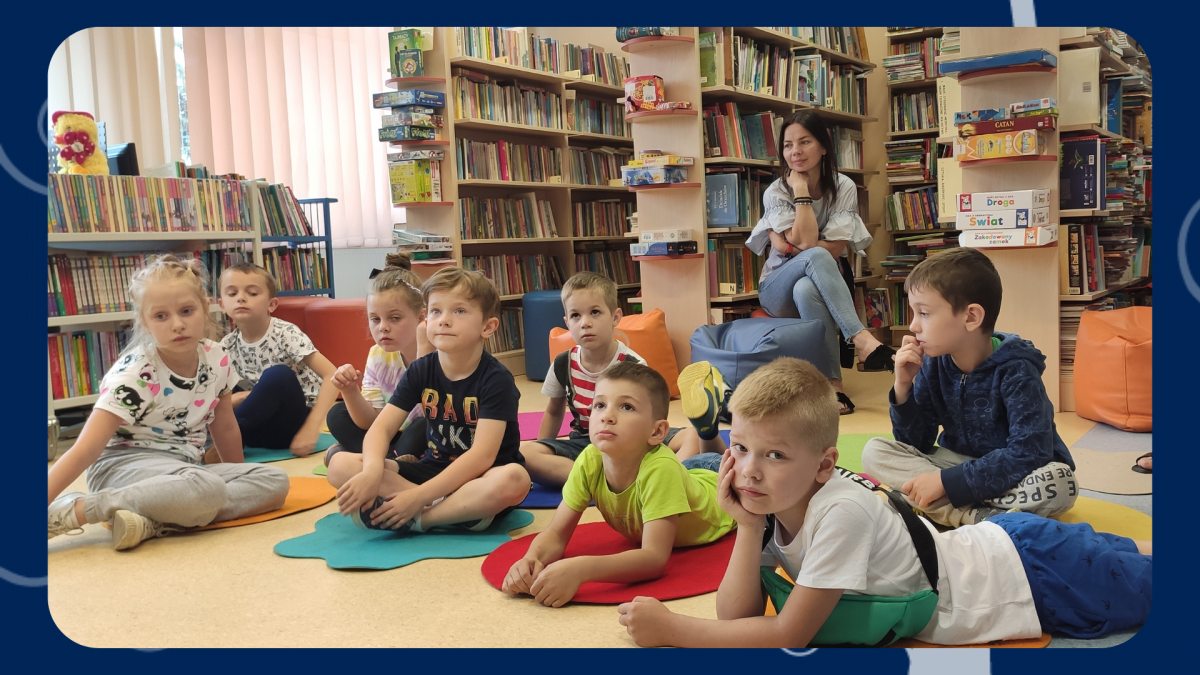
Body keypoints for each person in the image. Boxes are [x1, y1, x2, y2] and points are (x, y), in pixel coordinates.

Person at [616, 358, 1151, 648]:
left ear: (824, 465)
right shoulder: (770, 504)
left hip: (1025, 571)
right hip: (1002, 548)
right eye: (741, 449)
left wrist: (675, 632)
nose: (750, 470)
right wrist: (748, 528)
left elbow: (789, 631)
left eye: (775, 454)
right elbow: (738, 614)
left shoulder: (839, 511)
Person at [47, 255, 289, 551]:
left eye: (187, 311)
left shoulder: (217, 358)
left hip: (182, 471)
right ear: (146, 324)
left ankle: (154, 521)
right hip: (121, 468)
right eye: (161, 316)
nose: (177, 324)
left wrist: (235, 477)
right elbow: (86, 448)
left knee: (274, 482)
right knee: (206, 489)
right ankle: (81, 509)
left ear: (205, 308)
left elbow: (225, 427)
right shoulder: (135, 374)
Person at [862, 247, 1078, 527]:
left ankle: (941, 506)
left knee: (1061, 482)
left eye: (924, 313)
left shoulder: (1018, 369)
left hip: (1016, 475)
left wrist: (945, 483)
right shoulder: (934, 362)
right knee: (875, 451)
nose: (913, 326)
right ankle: (978, 516)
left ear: (971, 317)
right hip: (958, 465)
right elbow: (916, 444)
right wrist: (903, 386)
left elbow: (1029, 452)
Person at [503, 361, 735, 607]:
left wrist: (582, 569)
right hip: (688, 477)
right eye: (600, 405)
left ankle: (709, 434)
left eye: (626, 407)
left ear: (657, 432)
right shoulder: (590, 460)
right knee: (691, 465)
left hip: (715, 485)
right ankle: (707, 434)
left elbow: (654, 559)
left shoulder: (661, 469)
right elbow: (556, 535)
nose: (607, 416)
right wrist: (532, 559)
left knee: (739, 472)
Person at [327, 267, 530, 533]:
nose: (444, 320)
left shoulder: (496, 379)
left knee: (515, 479)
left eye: (459, 311)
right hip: (432, 469)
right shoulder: (422, 369)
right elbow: (382, 427)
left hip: (480, 477)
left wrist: (418, 497)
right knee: (340, 465)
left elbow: (482, 456)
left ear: (488, 327)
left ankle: (423, 517)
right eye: (436, 311)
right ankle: (456, 512)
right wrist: (372, 472)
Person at [746, 109, 895, 414]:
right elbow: (810, 244)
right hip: (775, 287)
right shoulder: (776, 191)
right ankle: (863, 341)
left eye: (804, 142)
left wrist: (789, 245)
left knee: (806, 289)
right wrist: (800, 193)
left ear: (824, 146)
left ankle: (833, 388)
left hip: (816, 284)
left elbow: (835, 247)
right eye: (788, 145)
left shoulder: (844, 187)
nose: (795, 152)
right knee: (814, 255)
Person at [520, 272, 723, 488]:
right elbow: (553, 411)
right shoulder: (563, 363)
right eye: (576, 316)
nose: (585, 323)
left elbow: (647, 416)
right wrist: (544, 445)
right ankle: (606, 483)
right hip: (586, 443)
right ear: (566, 322)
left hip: (632, 443)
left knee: (691, 436)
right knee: (526, 453)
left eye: (595, 312)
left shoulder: (632, 365)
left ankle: (661, 482)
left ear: (616, 317)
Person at [323, 253, 433, 468]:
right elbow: (372, 422)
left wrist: (425, 353)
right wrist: (349, 390)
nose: (382, 327)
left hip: (431, 435)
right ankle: (393, 463)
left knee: (423, 425)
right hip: (389, 437)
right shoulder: (377, 354)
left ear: (421, 317)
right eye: (375, 319)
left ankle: (364, 458)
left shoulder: (439, 353)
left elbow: (439, 414)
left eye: (394, 318)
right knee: (337, 414)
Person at [218, 263, 339, 456]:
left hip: (290, 428)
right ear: (222, 305)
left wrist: (311, 428)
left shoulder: (285, 333)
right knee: (216, 386)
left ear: (271, 304)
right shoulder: (226, 345)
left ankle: (224, 440)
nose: (241, 298)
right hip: (254, 429)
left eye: (252, 293)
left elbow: (332, 375)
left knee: (278, 375)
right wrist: (235, 398)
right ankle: (225, 439)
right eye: (232, 294)